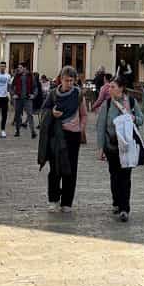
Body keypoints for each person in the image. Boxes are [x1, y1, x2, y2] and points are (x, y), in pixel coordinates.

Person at [39, 65, 87, 212]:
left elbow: (83, 114)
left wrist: (81, 128)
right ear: (61, 79)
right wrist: (52, 113)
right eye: (66, 80)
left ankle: (67, 202)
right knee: (55, 168)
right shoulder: (53, 94)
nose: (69, 83)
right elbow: (43, 112)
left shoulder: (78, 94)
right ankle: (53, 200)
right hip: (56, 135)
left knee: (71, 169)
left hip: (73, 136)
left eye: (72, 80)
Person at [97, 78, 141, 222]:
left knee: (126, 177)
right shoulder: (107, 104)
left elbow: (141, 119)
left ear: (121, 88)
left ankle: (124, 208)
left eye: (113, 86)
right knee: (114, 176)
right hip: (112, 146)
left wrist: (134, 118)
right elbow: (101, 126)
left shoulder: (132, 102)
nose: (109, 89)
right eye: (109, 86)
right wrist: (100, 147)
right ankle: (116, 201)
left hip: (127, 147)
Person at [12, 63, 38, 139]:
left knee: (30, 115)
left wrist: (34, 95)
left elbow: (35, 87)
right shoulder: (16, 76)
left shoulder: (30, 76)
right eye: (18, 67)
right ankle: (17, 131)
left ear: (24, 68)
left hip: (28, 99)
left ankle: (33, 132)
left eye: (20, 67)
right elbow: (11, 87)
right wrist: (14, 94)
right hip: (18, 99)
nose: (18, 69)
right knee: (17, 115)